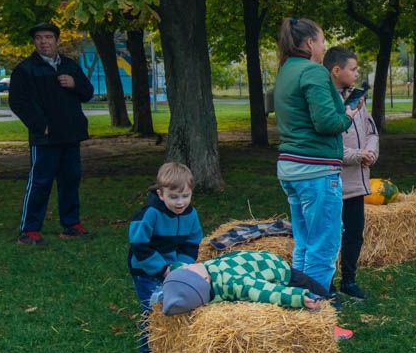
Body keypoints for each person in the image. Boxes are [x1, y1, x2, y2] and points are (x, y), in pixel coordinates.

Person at [273, 18, 357, 297]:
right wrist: (347, 117)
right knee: (324, 246)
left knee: (305, 243)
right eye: (322, 41)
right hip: (315, 171)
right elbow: (326, 122)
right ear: (310, 43)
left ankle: (299, 302)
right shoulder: (313, 71)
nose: (324, 46)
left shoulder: (286, 70)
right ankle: (315, 308)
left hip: (291, 169)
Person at [8, 21, 95, 245]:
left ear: (57, 40)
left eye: (48, 37)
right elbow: (17, 102)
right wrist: (39, 124)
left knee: (70, 180)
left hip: (71, 134)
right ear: (34, 42)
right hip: (45, 137)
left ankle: (71, 225)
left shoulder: (70, 65)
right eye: (39, 38)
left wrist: (74, 83)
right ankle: (29, 230)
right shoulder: (25, 69)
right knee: (40, 182)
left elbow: (87, 93)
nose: (43, 42)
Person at [127, 162, 203, 353]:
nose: (180, 202)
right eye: (174, 197)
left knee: (176, 304)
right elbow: (139, 245)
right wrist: (162, 268)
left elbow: (192, 243)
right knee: (153, 310)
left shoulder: (190, 214)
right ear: (161, 194)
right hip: (145, 270)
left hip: (172, 268)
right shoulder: (149, 214)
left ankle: (174, 349)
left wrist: (181, 266)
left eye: (185, 196)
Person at [324, 46, 378, 300]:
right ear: (337, 71)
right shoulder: (325, 101)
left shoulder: (358, 98)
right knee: (331, 236)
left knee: (355, 233)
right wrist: (357, 155)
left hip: (357, 182)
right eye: (353, 69)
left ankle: (349, 280)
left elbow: (370, 130)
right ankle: (326, 283)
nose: (357, 74)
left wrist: (371, 151)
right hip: (334, 182)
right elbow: (328, 144)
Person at [152, 250, 330, 315]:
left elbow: (179, 271)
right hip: (279, 270)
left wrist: (170, 278)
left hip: (259, 260)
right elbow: (267, 291)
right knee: (322, 295)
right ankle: (331, 308)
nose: (187, 265)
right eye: (188, 269)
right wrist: (298, 297)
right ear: (204, 280)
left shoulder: (194, 277)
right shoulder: (235, 282)